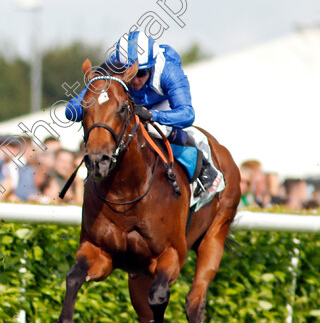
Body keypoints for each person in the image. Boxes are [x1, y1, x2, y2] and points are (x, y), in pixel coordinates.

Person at [65, 30, 223, 201]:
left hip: (162, 105)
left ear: (152, 67)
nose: (135, 80)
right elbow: (70, 110)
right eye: (130, 73)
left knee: (155, 129)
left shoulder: (169, 71)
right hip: (130, 105)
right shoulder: (112, 68)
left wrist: (152, 115)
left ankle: (203, 164)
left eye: (141, 73)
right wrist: (90, 108)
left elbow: (187, 114)